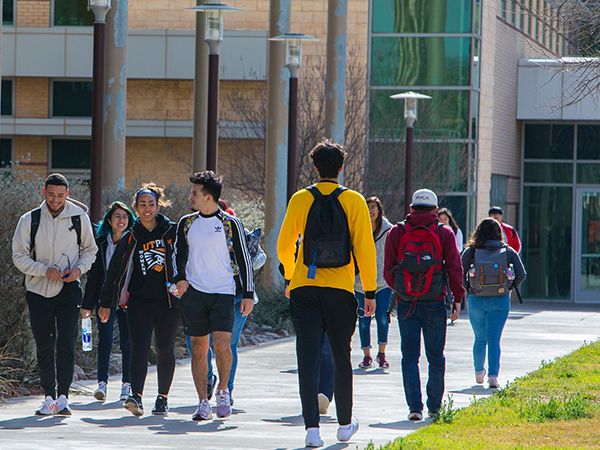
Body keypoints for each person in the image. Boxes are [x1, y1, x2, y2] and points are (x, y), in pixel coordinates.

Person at [277, 139, 377, 447]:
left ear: (315, 166)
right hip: (340, 290)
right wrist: (370, 291)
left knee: (307, 359)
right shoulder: (355, 201)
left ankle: (312, 431)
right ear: (342, 167)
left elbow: (284, 245)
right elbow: (365, 250)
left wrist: (291, 277)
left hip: (305, 289)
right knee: (340, 357)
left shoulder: (300, 199)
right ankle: (345, 425)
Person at [12, 173, 97, 416]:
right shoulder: (30, 220)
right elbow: (18, 256)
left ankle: (63, 398)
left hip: (69, 289)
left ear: (67, 194)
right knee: (44, 344)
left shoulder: (79, 217)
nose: (56, 200)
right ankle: (48, 396)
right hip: (38, 290)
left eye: (60, 195)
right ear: (43, 192)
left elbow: (91, 250)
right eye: (51, 195)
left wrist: (79, 269)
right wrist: (42, 270)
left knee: (67, 343)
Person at [172, 171, 254, 421]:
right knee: (198, 348)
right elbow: (177, 255)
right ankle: (202, 402)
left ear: (209, 197)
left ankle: (223, 392)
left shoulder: (230, 224)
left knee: (222, 345)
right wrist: (180, 279)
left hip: (223, 292)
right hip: (195, 293)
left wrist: (248, 293)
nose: (191, 197)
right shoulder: (186, 223)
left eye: (195, 193)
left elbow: (244, 259)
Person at [98, 184, 180, 417]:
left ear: (158, 206)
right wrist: (106, 302)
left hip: (168, 301)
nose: (146, 209)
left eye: (151, 204)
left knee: (164, 349)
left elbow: (184, 260)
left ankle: (162, 398)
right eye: (142, 205)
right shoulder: (131, 236)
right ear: (136, 208)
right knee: (139, 348)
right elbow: (114, 272)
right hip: (139, 301)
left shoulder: (170, 231)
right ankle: (137, 396)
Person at [383, 189, 465, 422]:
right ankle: (435, 407)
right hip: (435, 303)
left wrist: (402, 290)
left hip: (406, 303)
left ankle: (414, 408)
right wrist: (457, 298)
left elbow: (388, 270)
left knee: (409, 356)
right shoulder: (444, 232)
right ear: (434, 210)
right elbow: (454, 269)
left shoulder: (397, 232)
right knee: (436, 356)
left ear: (411, 208)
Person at [461, 218, 526, 389]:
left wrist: (468, 288)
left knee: (480, 339)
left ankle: (478, 372)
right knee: (494, 339)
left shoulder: (471, 251)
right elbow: (522, 274)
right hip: (500, 299)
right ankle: (493, 376)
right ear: (499, 233)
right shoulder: (508, 250)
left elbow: (459, 273)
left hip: (476, 298)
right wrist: (509, 287)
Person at [81, 201, 135, 402]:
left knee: (127, 343)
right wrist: (87, 305)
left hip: (129, 300)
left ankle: (127, 385)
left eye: (125, 217)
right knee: (105, 341)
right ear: (109, 221)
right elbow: (94, 277)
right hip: (106, 301)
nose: (121, 220)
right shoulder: (101, 243)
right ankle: (101, 383)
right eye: (117, 217)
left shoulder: (134, 241)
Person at [355, 196, 393, 370]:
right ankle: (367, 356)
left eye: (374, 207)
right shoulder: (357, 228)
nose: (371, 211)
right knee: (363, 319)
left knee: (382, 318)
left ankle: (382, 353)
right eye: (368, 207)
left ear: (379, 209)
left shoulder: (389, 230)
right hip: (360, 283)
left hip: (382, 283)